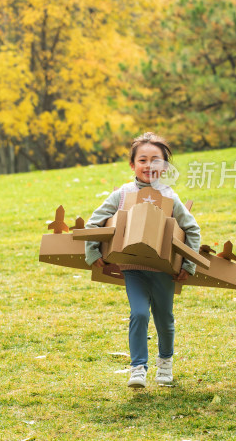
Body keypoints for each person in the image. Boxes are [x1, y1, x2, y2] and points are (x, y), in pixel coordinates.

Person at [84, 132, 200, 388]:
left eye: (155, 160)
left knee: (164, 318)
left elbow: (192, 229)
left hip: (163, 270)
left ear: (165, 166)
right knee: (138, 314)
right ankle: (137, 368)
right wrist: (93, 253)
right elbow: (94, 222)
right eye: (143, 160)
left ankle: (165, 364)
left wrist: (188, 265)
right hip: (133, 268)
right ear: (133, 165)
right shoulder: (122, 194)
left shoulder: (170, 196)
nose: (149, 166)